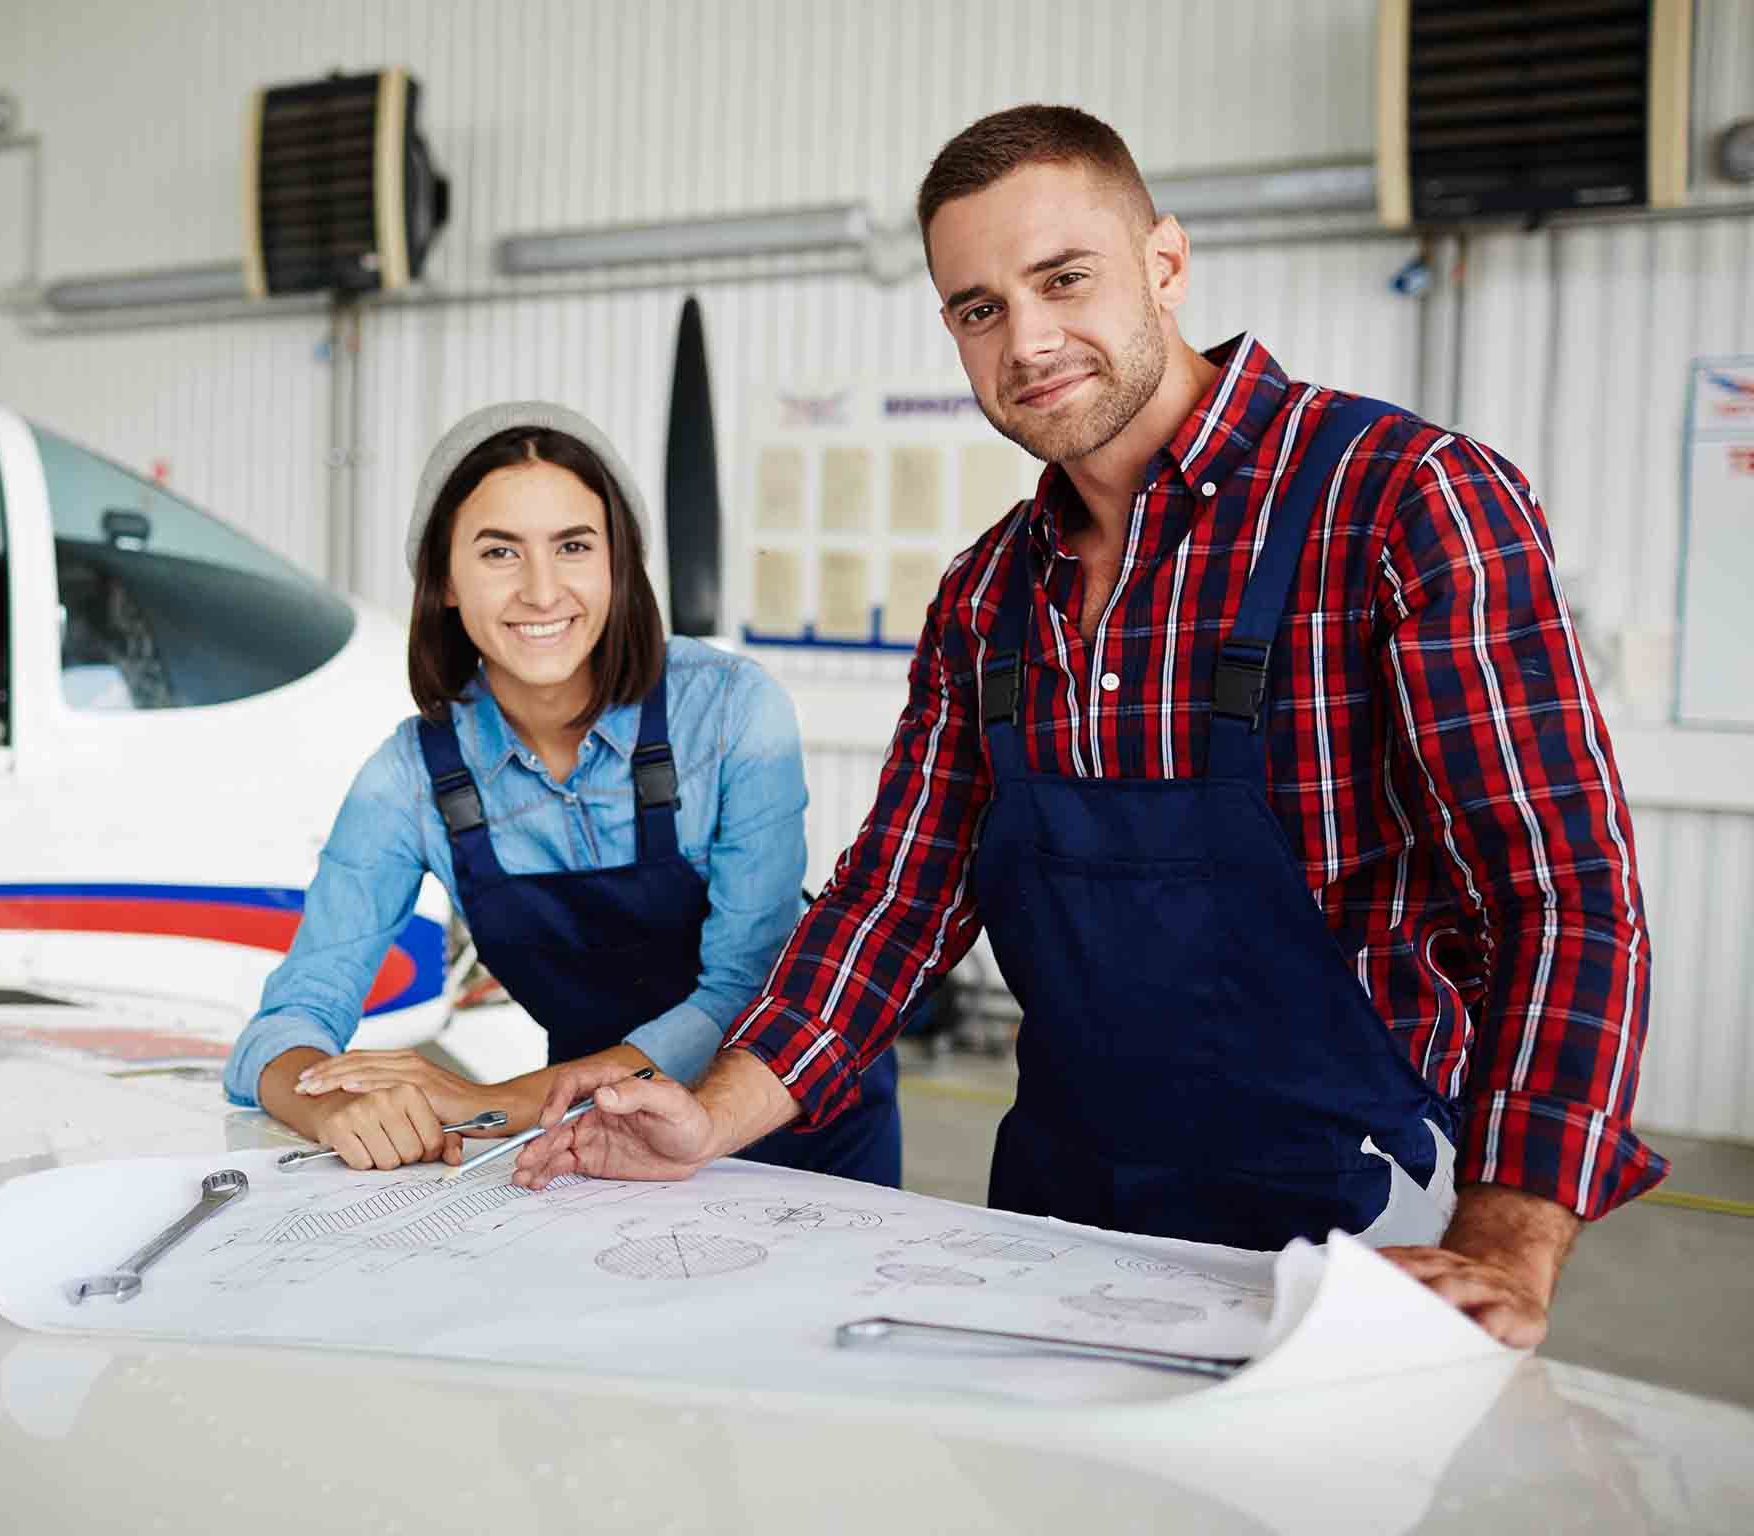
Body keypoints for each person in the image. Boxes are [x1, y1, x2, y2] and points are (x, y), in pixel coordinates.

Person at [513, 106, 1665, 1347]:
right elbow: (896, 904)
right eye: (978, 309)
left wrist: (1506, 1238)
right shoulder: (988, 594)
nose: (1028, 339)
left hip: (1365, 1215)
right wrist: (713, 1112)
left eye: (1064, 278)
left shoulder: (1403, 503)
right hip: (1062, 1218)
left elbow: (1560, 889)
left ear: (1165, 264)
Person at [221, 402, 902, 1186]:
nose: (542, 591)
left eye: (573, 546)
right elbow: (286, 1021)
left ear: (618, 562)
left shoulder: (730, 712)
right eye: (499, 551)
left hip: (791, 1123)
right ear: (445, 579)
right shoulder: (408, 778)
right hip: (584, 1144)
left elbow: (742, 989)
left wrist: (495, 1102)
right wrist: (329, 1104)